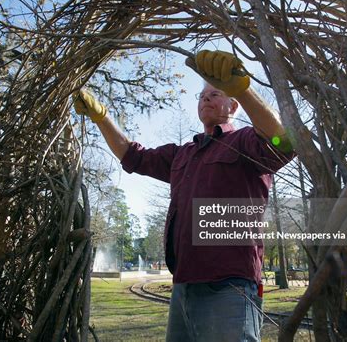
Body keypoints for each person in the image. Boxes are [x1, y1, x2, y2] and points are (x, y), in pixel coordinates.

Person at [74, 50, 294, 342]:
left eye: (216, 93)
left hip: (229, 286)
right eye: (202, 96)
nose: (205, 99)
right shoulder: (182, 155)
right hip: (183, 288)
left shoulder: (245, 141)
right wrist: (100, 116)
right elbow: (132, 155)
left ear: (233, 105)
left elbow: (283, 143)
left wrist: (244, 88)